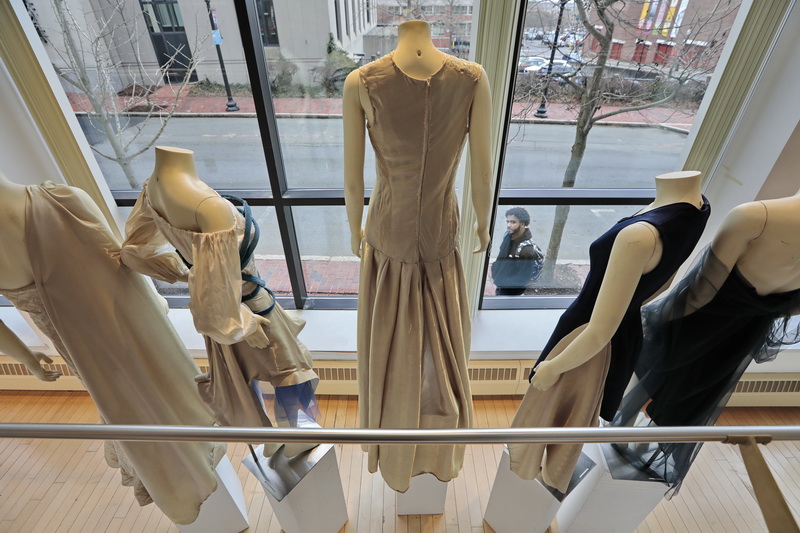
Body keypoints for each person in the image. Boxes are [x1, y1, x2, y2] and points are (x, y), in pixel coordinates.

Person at [342, 19, 493, 492]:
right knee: (440, 345)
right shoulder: (472, 78)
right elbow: (482, 170)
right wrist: (483, 220)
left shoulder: (361, 81)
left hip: (387, 234)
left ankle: (402, 439)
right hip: (439, 232)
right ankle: (426, 437)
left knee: (391, 345)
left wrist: (354, 227)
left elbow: (352, 179)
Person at [506, 171, 710, 494]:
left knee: (546, 416)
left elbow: (600, 330)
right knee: (571, 418)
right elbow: (666, 279)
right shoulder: (697, 209)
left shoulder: (640, 236)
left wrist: (553, 366)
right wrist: (627, 303)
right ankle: (543, 480)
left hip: (583, 339)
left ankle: (529, 482)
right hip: (616, 333)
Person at [491, 207, 544, 295]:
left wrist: (503, 282)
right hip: (501, 285)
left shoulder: (527, 251)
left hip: (511, 292)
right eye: (507, 221)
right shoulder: (508, 236)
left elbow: (522, 279)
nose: (508, 225)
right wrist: (495, 271)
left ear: (523, 224)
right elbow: (501, 257)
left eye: (513, 222)